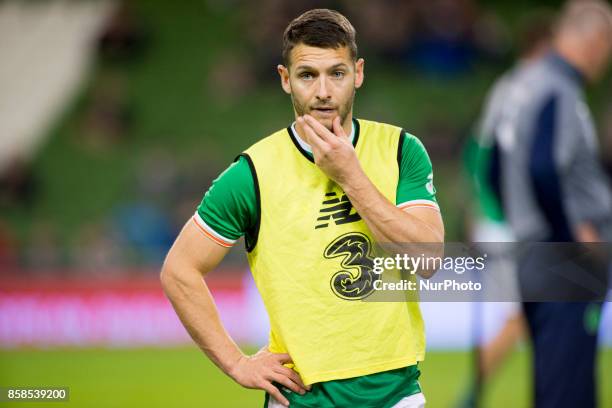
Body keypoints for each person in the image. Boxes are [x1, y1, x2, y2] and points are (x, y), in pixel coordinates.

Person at [160, 8, 444, 408]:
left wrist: (350, 177)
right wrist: (237, 364)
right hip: (302, 397)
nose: (323, 91)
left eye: (337, 73)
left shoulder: (400, 151)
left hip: (396, 395)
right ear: (285, 79)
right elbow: (179, 270)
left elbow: (428, 259)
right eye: (308, 75)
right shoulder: (253, 173)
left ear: (358, 73)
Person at [490, 1, 612, 407]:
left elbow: (492, 163)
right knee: (571, 390)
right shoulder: (558, 88)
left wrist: (522, 223)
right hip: (565, 262)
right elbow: (544, 167)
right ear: (595, 41)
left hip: (533, 254)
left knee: (552, 382)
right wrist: (570, 237)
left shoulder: (520, 83)